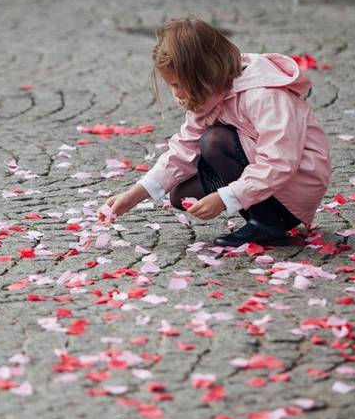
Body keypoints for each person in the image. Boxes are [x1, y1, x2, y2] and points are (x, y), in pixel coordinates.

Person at [99, 17, 331, 247]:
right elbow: (182, 151)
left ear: (204, 75)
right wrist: (135, 195)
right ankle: (259, 216)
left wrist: (226, 197)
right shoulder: (208, 95)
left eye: (179, 84)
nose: (176, 94)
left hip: (295, 189)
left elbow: (279, 162)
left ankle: (267, 223)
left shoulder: (264, 96)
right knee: (181, 194)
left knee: (214, 141)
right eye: (171, 85)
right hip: (268, 183)